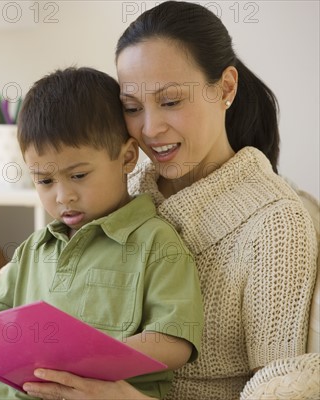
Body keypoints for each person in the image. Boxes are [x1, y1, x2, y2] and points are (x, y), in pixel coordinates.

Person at [22, 2, 318, 400]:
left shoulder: (276, 223)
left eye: (172, 101)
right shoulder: (124, 188)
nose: (150, 128)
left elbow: (279, 387)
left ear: (226, 88)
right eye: (131, 107)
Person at [0, 67, 204, 400]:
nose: (62, 196)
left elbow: (174, 342)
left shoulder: (155, 243)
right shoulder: (35, 248)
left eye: (79, 175)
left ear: (127, 157)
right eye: (44, 181)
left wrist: (89, 360)